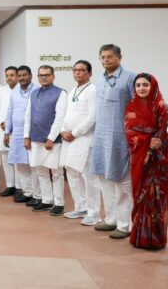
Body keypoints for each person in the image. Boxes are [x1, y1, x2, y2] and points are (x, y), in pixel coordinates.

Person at [91, 44, 136, 239]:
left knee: (122, 181)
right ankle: (110, 219)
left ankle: (125, 224)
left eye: (110, 56)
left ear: (119, 57)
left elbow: (138, 106)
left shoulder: (130, 77)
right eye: (103, 57)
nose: (106, 60)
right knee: (103, 179)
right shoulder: (99, 80)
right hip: (101, 135)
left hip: (120, 136)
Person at [125, 73, 168, 249]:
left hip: (157, 160)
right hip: (138, 158)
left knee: (155, 197)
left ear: (153, 86)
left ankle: (154, 239)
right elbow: (129, 132)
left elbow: (165, 132)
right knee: (140, 196)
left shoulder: (161, 106)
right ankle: (139, 236)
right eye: (138, 85)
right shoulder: (131, 106)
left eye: (145, 85)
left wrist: (152, 147)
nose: (142, 88)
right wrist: (145, 141)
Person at [60, 60, 101, 226]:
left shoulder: (93, 90)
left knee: (88, 177)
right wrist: (63, 130)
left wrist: (75, 133)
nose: (78, 73)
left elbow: (93, 117)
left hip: (84, 139)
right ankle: (80, 207)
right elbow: (66, 114)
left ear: (89, 73)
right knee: (72, 174)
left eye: (82, 70)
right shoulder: (72, 91)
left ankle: (94, 213)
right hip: (69, 139)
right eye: (75, 70)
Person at [24, 65, 67, 216]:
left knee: (56, 173)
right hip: (35, 139)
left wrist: (51, 138)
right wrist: (26, 136)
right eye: (41, 75)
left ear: (53, 76)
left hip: (52, 141)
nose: (44, 77)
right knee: (40, 171)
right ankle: (47, 200)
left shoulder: (60, 93)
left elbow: (60, 118)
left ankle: (59, 203)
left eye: (47, 75)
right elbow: (28, 116)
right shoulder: (34, 93)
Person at [5, 65, 40, 205]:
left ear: (30, 76)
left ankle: (37, 194)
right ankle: (27, 192)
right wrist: (7, 131)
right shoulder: (14, 92)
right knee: (20, 164)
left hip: (32, 133)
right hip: (17, 133)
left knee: (34, 165)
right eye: (19, 76)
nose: (22, 78)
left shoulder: (37, 90)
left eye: (24, 75)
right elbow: (9, 112)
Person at [0, 66, 17, 197]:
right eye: (7, 75)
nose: (9, 77)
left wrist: (11, 125)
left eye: (12, 75)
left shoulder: (22, 90)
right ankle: (10, 186)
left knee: (17, 160)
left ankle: (19, 187)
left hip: (16, 130)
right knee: (5, 158)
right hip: (2, 128)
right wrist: (2, 122)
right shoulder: (1, 90)